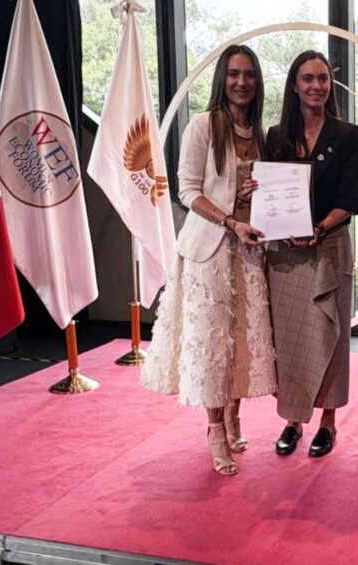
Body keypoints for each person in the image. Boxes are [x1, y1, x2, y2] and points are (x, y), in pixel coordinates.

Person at [141, 44, 277, 477]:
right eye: (234, 74)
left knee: (240, 338)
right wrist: (228, 219)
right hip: (210, 250)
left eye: (249, 75)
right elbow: (187, 190)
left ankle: (234, 416)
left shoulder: (259, 132)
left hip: (250, 251)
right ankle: (215, 430)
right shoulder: (202, 125)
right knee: (214, 344)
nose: (241, 82)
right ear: (223, 79)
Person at [264, 50, 358, 458]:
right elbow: (270, 197)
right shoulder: (275, 136)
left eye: (322, 78)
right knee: (291, 341)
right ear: (294, 85)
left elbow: (350, 199)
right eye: (308, 79)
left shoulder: (346, 133)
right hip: (285, 256)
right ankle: (293, 419)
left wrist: (318, 228)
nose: (316, 86)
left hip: (329, 247)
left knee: (331, 336)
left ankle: (327, 422)